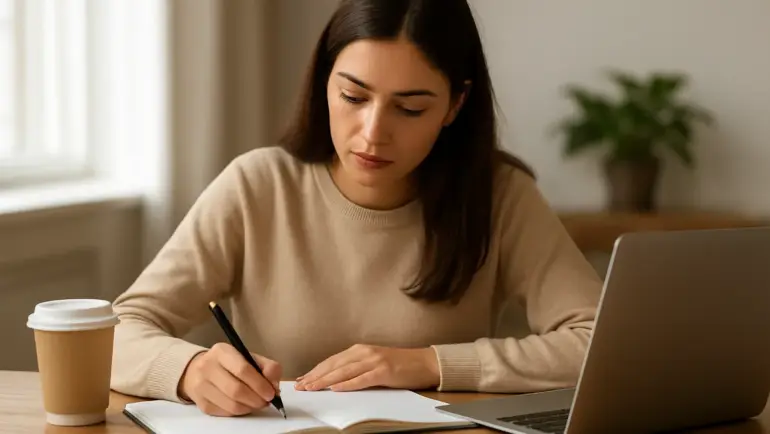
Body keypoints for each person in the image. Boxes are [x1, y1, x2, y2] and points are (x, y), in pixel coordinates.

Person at [110, 0, 603, 419]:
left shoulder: (500, 195)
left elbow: (600, 343)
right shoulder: (258, 185)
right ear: (325, 82)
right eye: (352, 95)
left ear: (455, 105)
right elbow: (117, 331)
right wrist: (190, 370)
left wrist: (430, 363)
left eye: (410, 108)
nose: (372, 133)